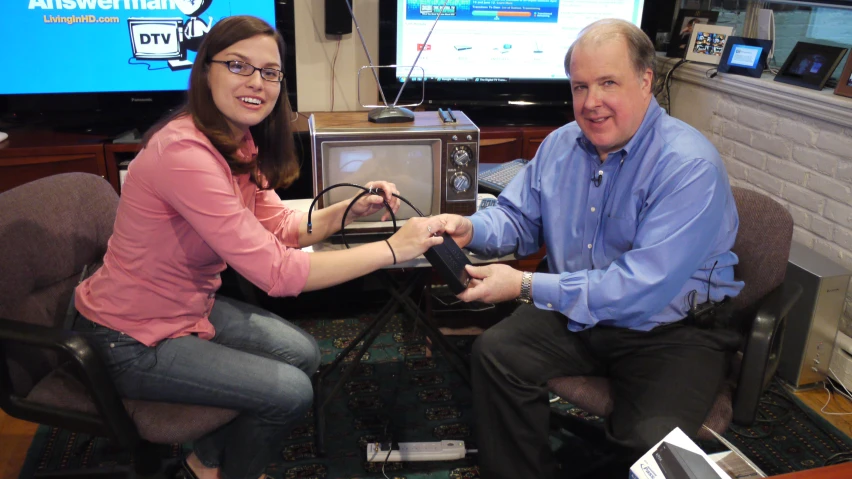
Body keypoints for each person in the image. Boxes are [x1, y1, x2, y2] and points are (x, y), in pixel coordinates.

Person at [72, 15, 444, 479]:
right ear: (206, 71)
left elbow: (283, 226)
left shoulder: (237, 142)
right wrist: (394, 248)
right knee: (289, 391)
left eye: (270, 72)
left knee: (303, 354)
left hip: (188, 308)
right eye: (239, 66)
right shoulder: (185, 155)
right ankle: (224, 473)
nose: (257, 82)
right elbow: (279, 274)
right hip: (129, 336)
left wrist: (349, 210)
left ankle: (201, 459)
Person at [433, 19, 744, 479]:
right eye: (580, 86)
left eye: (607, 83)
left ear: (645, 82)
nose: (590, 103)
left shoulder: (688, 165)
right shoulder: (560, 144)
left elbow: (641, 287)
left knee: (649, 447)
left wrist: (522, 285)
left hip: (669, 328)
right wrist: (469, 229)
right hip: (575, 311)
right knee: (496, 355)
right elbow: (519, 218)